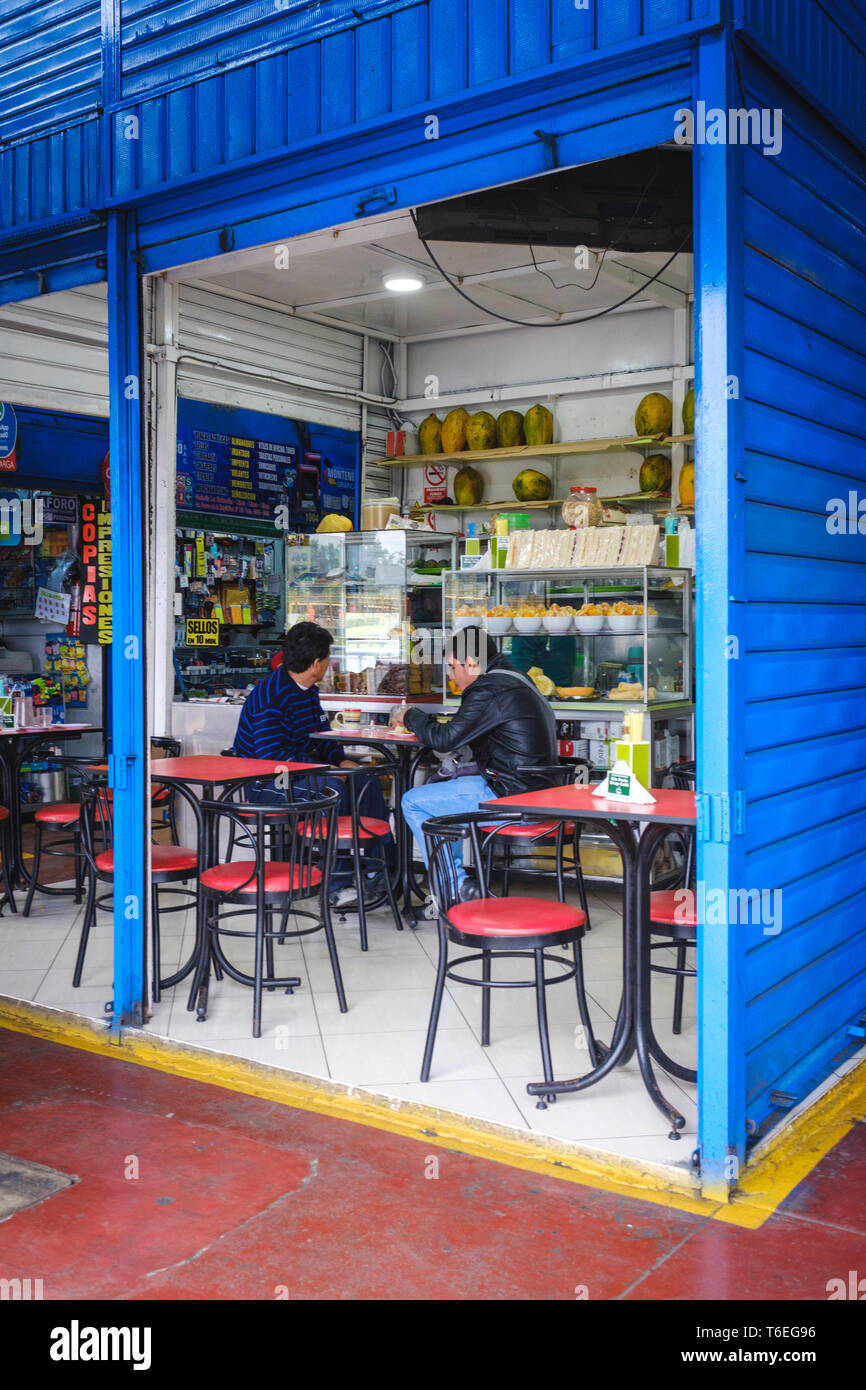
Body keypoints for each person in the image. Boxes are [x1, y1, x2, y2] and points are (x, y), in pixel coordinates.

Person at [394, 626, 558, 905]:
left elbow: (444, 739)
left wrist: (411, 715)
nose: (451, 675)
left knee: (413, 801)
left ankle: (455, 888)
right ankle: (453, 888)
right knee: (439, 796)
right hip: (533, 789)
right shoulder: (513, 678)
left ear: (471, 662)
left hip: (511, 795)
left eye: (452, 666)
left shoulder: (488, 689)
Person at [233, 621, 392, 900]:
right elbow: (274, 760)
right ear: (317, 663)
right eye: (328, 657)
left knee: (365, 781)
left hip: (300, 771)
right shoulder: (271, 696)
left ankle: (378, 870)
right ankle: (335, 879)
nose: (330, 663)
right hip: (268, 781)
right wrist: (327, 770)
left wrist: (340, 762)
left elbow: (320, 737)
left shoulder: (308, 692)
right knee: (333, 789)